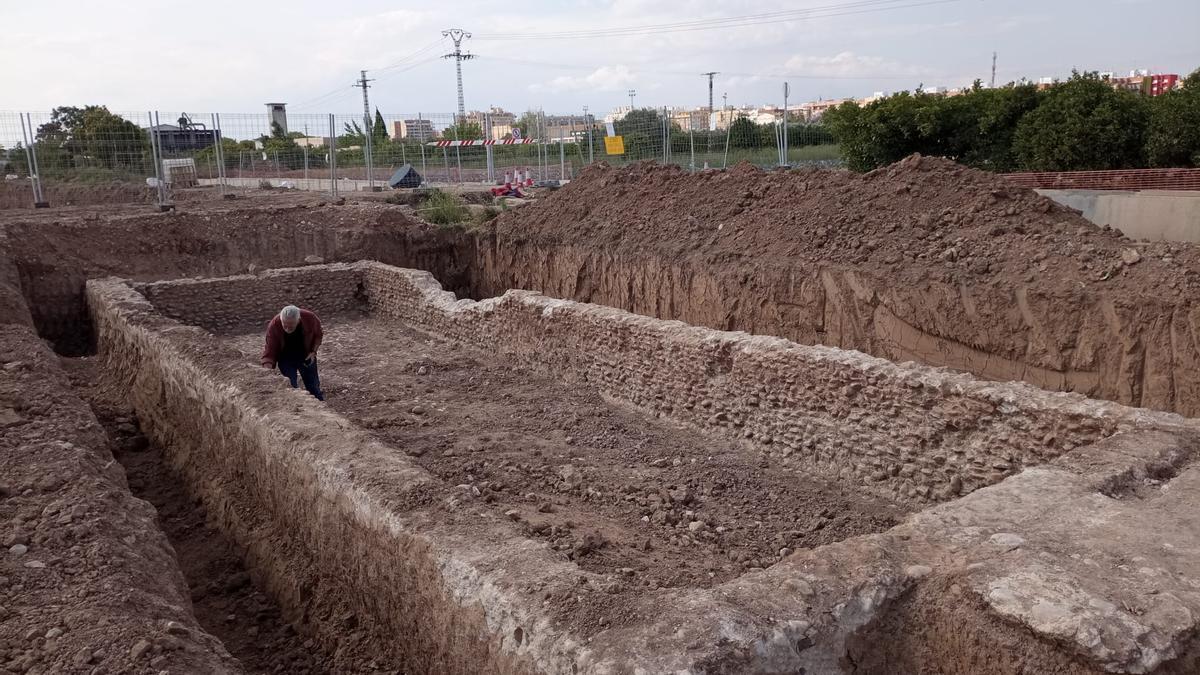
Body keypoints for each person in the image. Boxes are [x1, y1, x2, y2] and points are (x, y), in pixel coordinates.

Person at [261, 305, 325, 400]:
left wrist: (313, 352)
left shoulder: (310, 318)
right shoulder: (274, 325)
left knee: (313, 387)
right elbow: (270, 349)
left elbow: (318, 335)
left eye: (290, 326)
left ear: (298, 320)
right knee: (291, 388)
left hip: (306, 356)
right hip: (285, 359)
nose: (287, 329)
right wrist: (267, 371)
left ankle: (320, 409)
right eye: (284, 325)